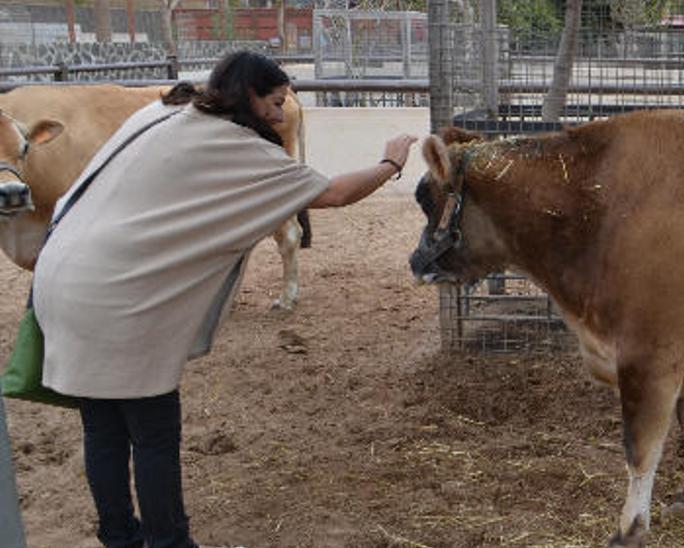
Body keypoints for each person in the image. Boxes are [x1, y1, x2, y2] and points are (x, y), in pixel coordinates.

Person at [31, 50, 417, 548]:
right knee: (152, 433)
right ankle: (169, 541)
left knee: (103, 429)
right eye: (275, 102)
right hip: (116, 298)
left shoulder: (165, 111)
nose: (280, 115)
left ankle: (119, 537)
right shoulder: (236, 146)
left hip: (59, 273)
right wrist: (391, 161)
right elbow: (335, 194)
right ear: (248, 95)